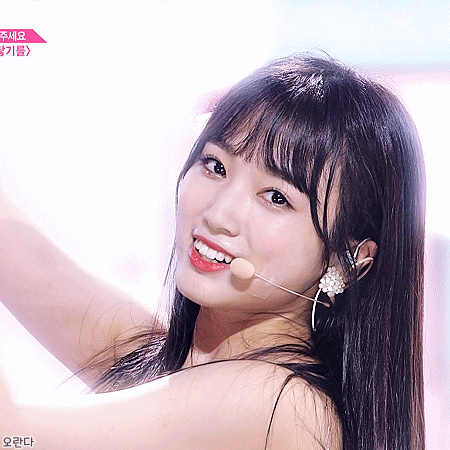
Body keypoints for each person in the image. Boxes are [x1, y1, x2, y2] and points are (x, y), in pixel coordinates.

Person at [0, 54, 425, 450]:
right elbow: (29, 261)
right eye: (216, 166)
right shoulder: (171, 359)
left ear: (351, 261)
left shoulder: (278, 403)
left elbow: (13, 434)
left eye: (276, 197)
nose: (219, 213)